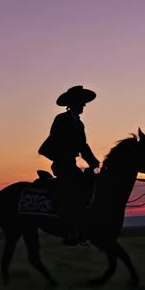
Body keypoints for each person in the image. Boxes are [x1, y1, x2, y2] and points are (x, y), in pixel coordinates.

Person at [38, 85, 100, 244]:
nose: (84, 105)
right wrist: (64, 157)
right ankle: (70, 229)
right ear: (74, 103)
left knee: (89, 185)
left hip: (71, 164)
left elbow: (83, 146)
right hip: (62, 164)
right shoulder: (61, 119)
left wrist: (94, 162)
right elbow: (54, 141)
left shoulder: (79, 124)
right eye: (82, 102)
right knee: (75, 190)